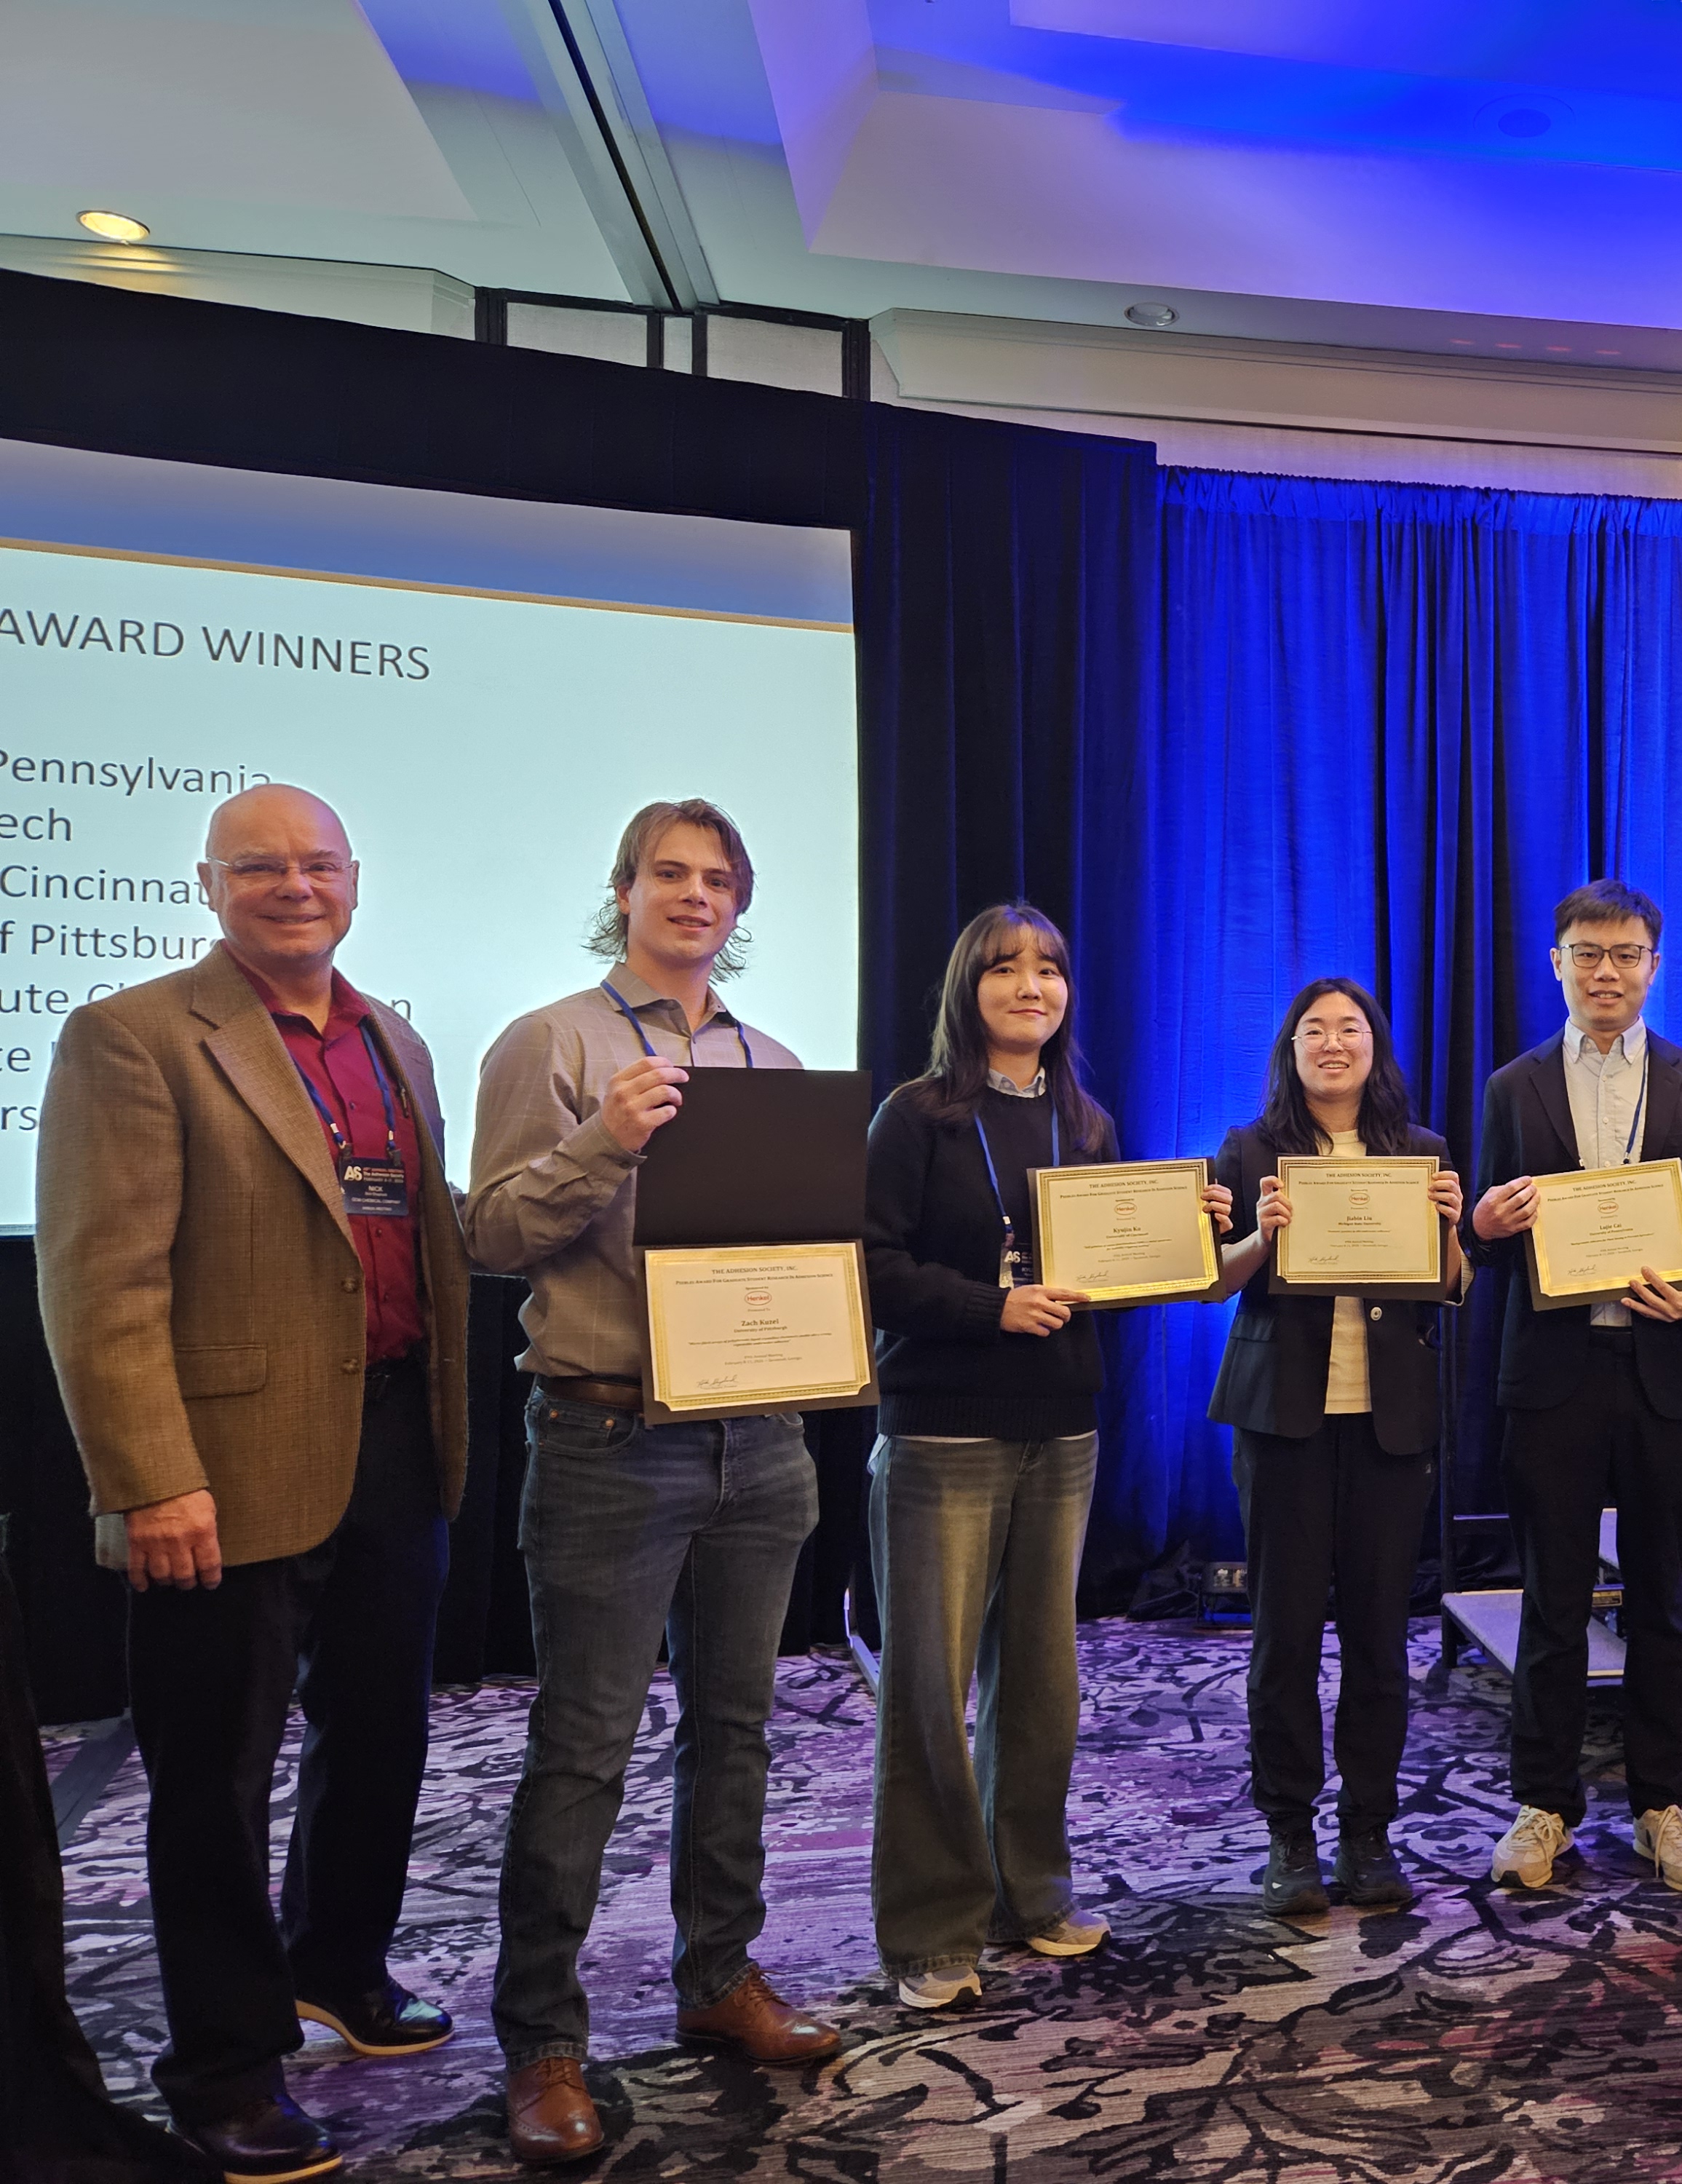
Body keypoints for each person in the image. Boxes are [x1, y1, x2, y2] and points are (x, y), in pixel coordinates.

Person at [35, 784, 469, 2184]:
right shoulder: (134, 1035)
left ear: (356, 881)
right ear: (208, 885)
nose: (296, 886)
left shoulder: (394, 1036)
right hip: (219, 1467)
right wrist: (149, 1477)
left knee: (381, 1731)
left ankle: (338, 1965)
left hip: (395, 1438)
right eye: (261, 866)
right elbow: (100, 1282)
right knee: (213, 1778)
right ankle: (223, 2066)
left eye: (319, 864)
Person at [469, 799, 836, 2167]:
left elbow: (798, 1254)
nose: (695, 895)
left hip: (761, 1443)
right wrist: (603, 1141)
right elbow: (490, 1233)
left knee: (736, 1729)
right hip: (610, 1440)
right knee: (584, 1749)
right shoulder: (552, 1042)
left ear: (740, 905)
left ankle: (718, 1978)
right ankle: (542, 2042)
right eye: (669, 873)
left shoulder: (771, 1062)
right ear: (623, 890)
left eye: (718, 879)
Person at [862, 903, 1223, 2008]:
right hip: (945, 1427)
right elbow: (870, 1267)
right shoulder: (914, 1116)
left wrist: (1187, 1233)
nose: (1032, 987)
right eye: (1007, 969)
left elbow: (1108, 1277)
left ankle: (1033, 1892)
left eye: (1051, 970)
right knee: (929, 1691)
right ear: (967, 988)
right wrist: (992, 1307)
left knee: (1040, 1682)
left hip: (1063, 1426)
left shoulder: (1086, 1121)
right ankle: (932, 1930)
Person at [1460, 879, 1682, 1894]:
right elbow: (1485, 1238)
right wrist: (1481, 1227)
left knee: (1665, 1600)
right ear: (1557, 964)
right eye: (1587, 954)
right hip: (1554, 1375)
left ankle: (1663, 1805)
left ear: (1654, 968)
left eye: (1626, 955)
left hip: (1665, 1373)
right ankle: (1543, 1805)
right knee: (1551, 1599)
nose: (1606, 972)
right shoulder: (1513, 1087)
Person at [1208, 978, 1468, 1917]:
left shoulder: (1421, 1151)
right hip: (1284, 1419)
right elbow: (1212, 1282)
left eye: (1348, 1028)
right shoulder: (1249, 1149)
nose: (1331, 1043)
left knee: (1377, 1634)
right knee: (1283, 1634)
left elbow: (1450, 1286)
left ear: (1373, 1047)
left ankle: (1368, 1829)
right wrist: (1260, 1237)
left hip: (1388, 1422)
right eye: (1313, 1030)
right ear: (1290, 1049)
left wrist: (1450, 1228)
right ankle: (1289, 1832)